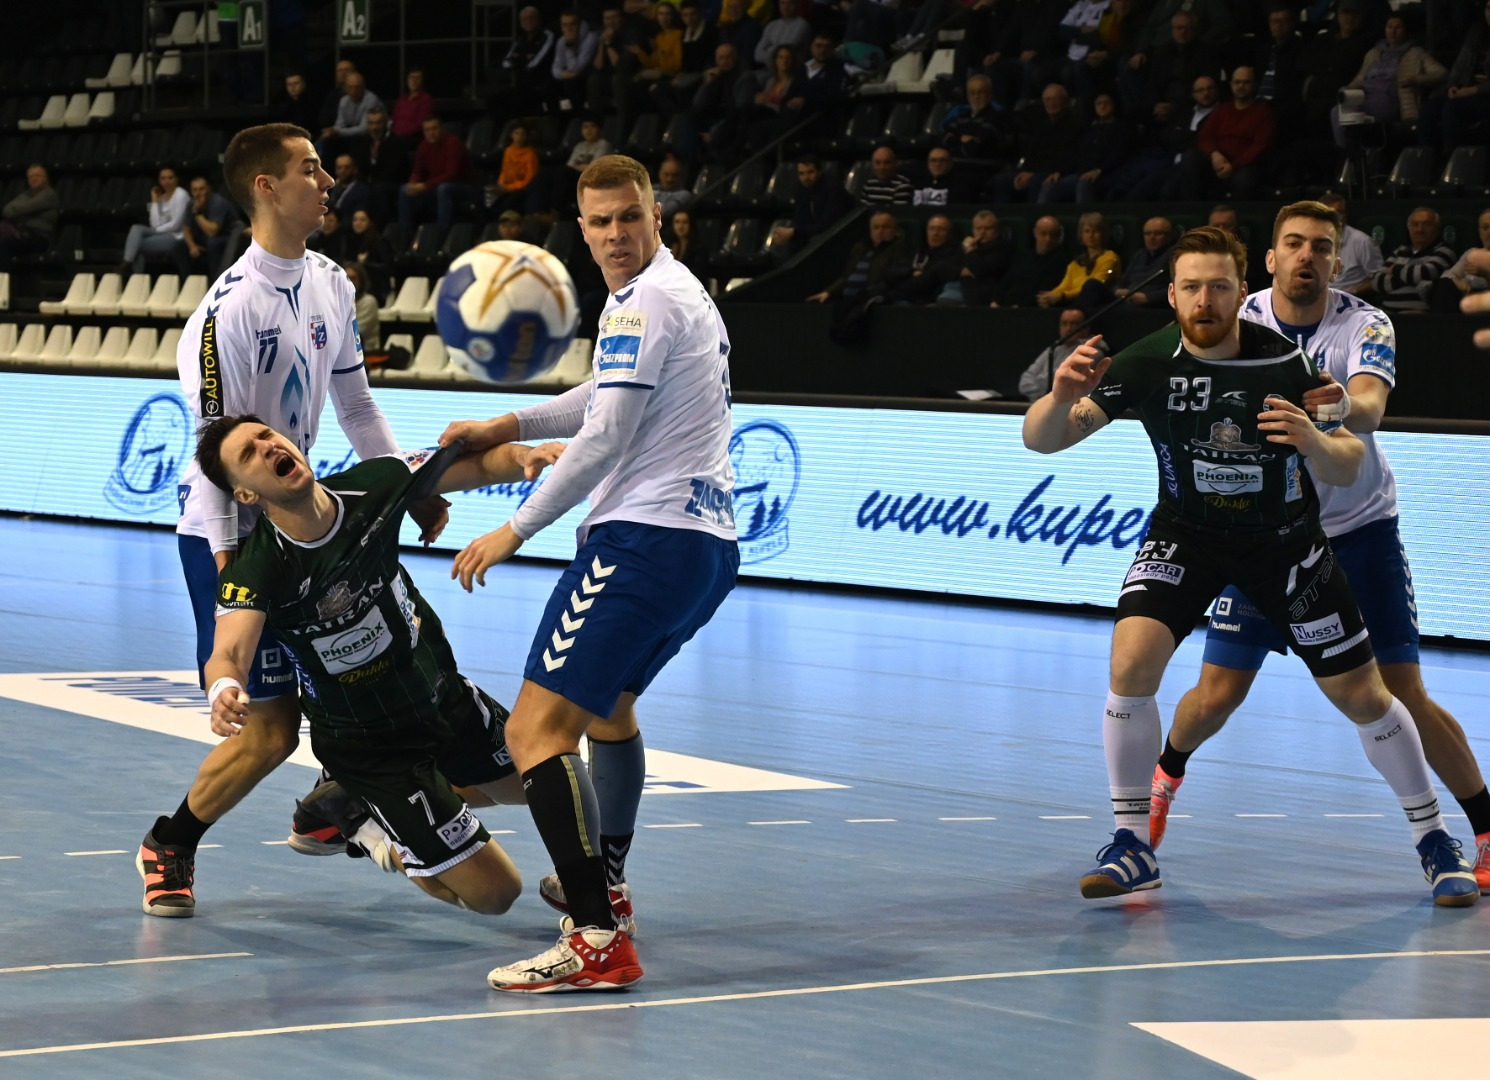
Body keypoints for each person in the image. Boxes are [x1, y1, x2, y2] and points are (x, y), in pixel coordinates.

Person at [1021, 224, 1478, 907]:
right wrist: (1060, 398)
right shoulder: (1145, 362)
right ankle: (1132, 843)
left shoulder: (1286, 363)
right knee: (1131, 663)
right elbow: (1042, 441)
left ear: (1242, 293)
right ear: (1171, 294)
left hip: (1283, 545)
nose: (1204, 300)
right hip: (1187, 536)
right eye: (1190, 287)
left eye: (1218, 287)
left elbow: (1349, 460)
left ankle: (1434, 839)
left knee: (1365, 696)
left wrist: (1314, 442)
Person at [438, 154, 739, 992]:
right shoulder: (667, 294)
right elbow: (602, 397)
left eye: (629, 217)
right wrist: (508, 423)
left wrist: (515, 528)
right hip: (703, 547)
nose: (615, 234)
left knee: (534, 732)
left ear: (656, 216)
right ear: (580, 228)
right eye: (600, 222)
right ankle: (608, 887)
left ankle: (596, 937)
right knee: (610, 713)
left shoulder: (645, 301)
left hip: (643, 540)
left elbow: (604, 437)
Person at [137, 122, 440, 919]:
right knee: (269, 733)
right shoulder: (226, 314)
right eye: (310, 169)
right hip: (233, 531)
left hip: (305, 518)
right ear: (266, 187)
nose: (328, 181)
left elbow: (358, 408)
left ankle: (331, 805)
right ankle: (169, 843)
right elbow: (217, 463)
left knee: (375, 676)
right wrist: (237, 577)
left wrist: (405, 489)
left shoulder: (333, 281)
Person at [1147, 201, 1490, 895]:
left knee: (1401, 692)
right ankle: (1162, 778)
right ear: (1269, 259)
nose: (1308, 256)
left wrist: (1328, 406)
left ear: (1338, 262)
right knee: (1215, 697)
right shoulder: (1236, 314)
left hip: (1358, 531)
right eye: (1295, 243)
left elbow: (1370, 407)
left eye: (1322, 247)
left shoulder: (1365, 322)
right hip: (1262, 538)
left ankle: (1483, 829)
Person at [194, 417, 575, 916]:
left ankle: (369, 804)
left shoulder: (373, 484)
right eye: (248, 454)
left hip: (442, 698)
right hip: (373, 747)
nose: (266, 447)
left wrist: (524, 456)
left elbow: (475, 466)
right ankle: (370, 825)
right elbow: (228, 652)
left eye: (266, 436)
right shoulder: (256, 568)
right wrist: (223, 687)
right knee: (497, 894)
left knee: (550, 778)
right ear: (245, 494)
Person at [1183, 65, 1275, 199]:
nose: (1241, 86)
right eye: (1237, 82)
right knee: (1190, 158)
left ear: (1254, 85)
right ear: (1231, 85)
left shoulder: (1263, 113)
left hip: (1244, 166)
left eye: (1246, 82)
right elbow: (1205, 137)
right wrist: (1215, 155)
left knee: (1245, 180)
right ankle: (1192, 209)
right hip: (1218, 162)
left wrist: (1233, 166)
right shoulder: (1222, 109)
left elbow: (1259, 147)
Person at [806, 208, 907, 304]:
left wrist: (869, 294)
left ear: (895, 230)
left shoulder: (899, 248)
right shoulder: (860, 248)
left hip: (873, 300)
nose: (880, 231)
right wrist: (828, 292)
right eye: (876, 227)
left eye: (885, 227)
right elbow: (847, 276)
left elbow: (893, 279)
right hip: (849, 300)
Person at [1077, 216, 1174, 311]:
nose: (1152, 237)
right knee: (1092, 285)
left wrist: (1147, 298)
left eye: (1158, 233)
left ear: (1169, 236)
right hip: (1126, 298)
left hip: (1149, 305)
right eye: (1147, 234)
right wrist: (1118, 290)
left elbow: (1177, 289)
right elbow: (1122, 280)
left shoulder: (1174, 256)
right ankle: (1077, 316)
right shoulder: (1140, 254)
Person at [1370, 206, 1456, 313]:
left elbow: (1424, 273)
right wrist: (1412, 279)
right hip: (1386, 313)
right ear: (1409, 228)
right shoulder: (1400, 250)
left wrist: (1395, 270)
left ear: (1437, 229)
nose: (1420, 229)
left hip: (1418, 316)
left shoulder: (1445, 251)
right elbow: (1376, 281)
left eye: (1427, 224)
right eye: (1415, 224)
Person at [398, 116, 478, 231]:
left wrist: (425, 186)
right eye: (427, 130)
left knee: (444, 189)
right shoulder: (423, 146)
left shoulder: (453, 143)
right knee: (404, 190)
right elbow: (417, 171)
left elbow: (452, 174)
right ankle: (404, 232)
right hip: (436, 186)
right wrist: (413, 183)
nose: (431, 133)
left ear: (442, 129)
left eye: (434, 128)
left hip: (463, 186)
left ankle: (442, 232)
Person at [1036, 211, 1120, 309]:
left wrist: (1063, 296)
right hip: (1073, 303)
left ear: (1103, 234)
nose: (1091, 235)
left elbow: (1095, 286)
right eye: (1087, 231)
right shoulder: (1076, 262)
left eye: (1095, 231)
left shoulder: (1111, 258)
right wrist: (1050, 296)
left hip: (1099, 306)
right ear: (1081, 235)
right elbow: (1064, 285)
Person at [121, 167, 192, 275]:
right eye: (163, 178)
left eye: (170, 178)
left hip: (176, 236)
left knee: (137, 245)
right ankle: (127, 263)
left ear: (176, 179)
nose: (166, 181)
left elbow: (176, 225)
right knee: (136, 228)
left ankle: (131, 271)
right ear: (159, 181)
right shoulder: (162, 198)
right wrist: (154, 201)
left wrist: (156, 230)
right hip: (161, 234)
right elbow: (154, 224)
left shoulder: (181, 195)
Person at [1019, 306, 1099, 400]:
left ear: (1086, 328)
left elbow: (1062, 380)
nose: (1068, 328)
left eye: (1074, 324)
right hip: (1043, 403)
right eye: (1064, 323)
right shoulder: (1054, 349)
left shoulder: (1092, 351)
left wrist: (1039, 384)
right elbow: (1024, 382)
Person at [773, 155, 849, 255]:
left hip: (838, 236)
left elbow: (827, 225)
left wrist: (794, 232)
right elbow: (800, 220)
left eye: (810, 172)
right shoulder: (801, 190)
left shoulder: (833, 189)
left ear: (819, 172)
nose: (806, 178)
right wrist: (790, 233)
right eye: (801, 173)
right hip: (814, 236)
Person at [988, 215, 1066, 308]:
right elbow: (1007, 280)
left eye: (1052, 235)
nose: (1048, 239)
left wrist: (1019, 307)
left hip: (1028, 310)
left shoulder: (1061, 261)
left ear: (1058, 237)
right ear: (1035, 233)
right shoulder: (1023, 256)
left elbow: (1044, 292)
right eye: (1043, 234)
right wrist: (995, 301)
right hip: (1006, 306)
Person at [178, 176, 242, 279]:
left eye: (201, 189)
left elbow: (212, 232)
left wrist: (197, 214)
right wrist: (192, 246)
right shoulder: (191, 203)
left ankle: (215, 281)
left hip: (229, 235)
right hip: (206, 236)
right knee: (179, 246)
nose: (198, 193)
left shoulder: (218, 203)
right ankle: (188, 281)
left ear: (208, 189)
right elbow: (186, 230)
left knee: (213, 243)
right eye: (195, 190)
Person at [1319, 192, 1382, 295]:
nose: (1340, 217)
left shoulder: (1362, 241)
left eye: (1342, 212)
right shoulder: (1312, 240)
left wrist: (1352, 293)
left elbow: (1379, 279)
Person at [0, 163, 59, 271]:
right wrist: (21, 214)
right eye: (31, 176)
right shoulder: (26, 194)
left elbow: (25, 208)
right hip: (22, 235)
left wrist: (18, 215)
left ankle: (3, 276)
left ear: (45, 178)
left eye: (37, 175)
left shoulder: (49, 194)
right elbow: (6, 210)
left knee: (5, 244)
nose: (34, 179)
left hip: (40, 238)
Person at [1430, 208, 1490, 313]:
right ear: (1479, 231)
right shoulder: (1472, 253)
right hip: (1465, 299)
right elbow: (1447, 276)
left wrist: (1485, 274)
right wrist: (1456, 281)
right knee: (1444, 285)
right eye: (1485, 227)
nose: (1489, 232)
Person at [391, 67, 435, 142]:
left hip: (413, 138)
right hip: (396, 135)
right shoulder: (403, 98)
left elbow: (420, 124)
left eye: (417, 78)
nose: (414, 80)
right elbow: (394, 117)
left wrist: (400, 133)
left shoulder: (426, 99)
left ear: (422, 80)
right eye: (411, 77)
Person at [325, 153, 372, 221]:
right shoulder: (332, 188)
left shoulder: (362, 191)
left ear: (355, 169)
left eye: (346, 167)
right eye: (339, 167)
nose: (342, 171)